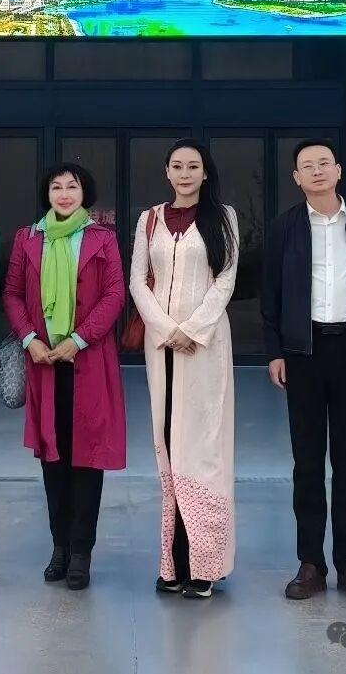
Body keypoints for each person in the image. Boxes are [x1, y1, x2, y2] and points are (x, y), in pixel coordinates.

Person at [261, 139, 346, 603]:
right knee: (308, 461)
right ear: (296, 178)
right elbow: (271, 295)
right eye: (306, 166)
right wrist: (275, 351)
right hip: (304, 353)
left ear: (338, 170)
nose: (317, 171)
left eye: (324, 163)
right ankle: (311, 563)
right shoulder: (284, 227)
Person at [2, 163, 126, 591]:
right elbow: (12, 294)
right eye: (57, 187)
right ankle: (59, 547)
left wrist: (79, 339)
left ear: (84, 192)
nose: (64, 193)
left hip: (88, 362)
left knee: (87, 458)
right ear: (47, 194)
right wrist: (29, 338)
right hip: (44, 363)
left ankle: (81, 553)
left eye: (72, 186)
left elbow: (114, 295)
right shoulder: (28, 238)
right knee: (53, 458)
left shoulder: (101, 238)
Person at [129, 139, 239, 599]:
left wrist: (192, 329)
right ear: (167, 172)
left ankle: (205, 565)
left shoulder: (224, 217)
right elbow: (137, 279)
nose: (185, 173)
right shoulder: (149, 219)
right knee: (168, 443)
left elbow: (226, 278)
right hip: (161, 345)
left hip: (205, 344)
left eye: (194, 166)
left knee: (203, 447)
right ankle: (172, 564)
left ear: (205, 172)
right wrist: (164, 327)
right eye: (177, 165)